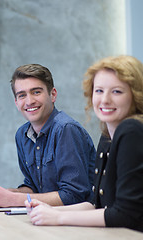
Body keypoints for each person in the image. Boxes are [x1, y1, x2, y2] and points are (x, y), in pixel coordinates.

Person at [25, 55, 143, 232]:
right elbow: (97, 205)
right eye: (99, 91)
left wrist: (58, 217)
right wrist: (49, 210)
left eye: (117, 91)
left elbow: (125, 214)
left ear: (135, 95)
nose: (105, 100)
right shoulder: (107, 135)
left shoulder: (131, 130)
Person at [0, 64, 96, 207]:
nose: (29, 101)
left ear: (53, 94)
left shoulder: (66, 129)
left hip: (77, 223)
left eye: (36, 92)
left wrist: (12, 199)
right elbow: (33, 188)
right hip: (46, 218)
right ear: (16, 102)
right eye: (22, 95)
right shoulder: (22, 135)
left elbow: (74, 195)